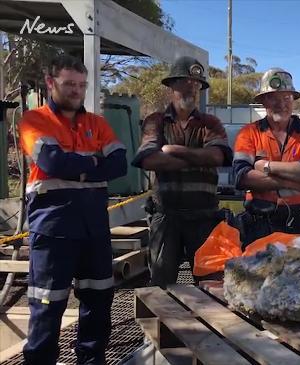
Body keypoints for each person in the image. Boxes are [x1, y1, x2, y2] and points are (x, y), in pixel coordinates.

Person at [18, 54, 127, 364]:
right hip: (53, 230)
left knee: (99, 299)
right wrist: (95, 163)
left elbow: (119, 164)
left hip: (94, 230)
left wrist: (75, 166)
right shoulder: (34, 120)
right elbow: (51, 162)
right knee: (47, 305)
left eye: (81, 85)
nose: (76, 91)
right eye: (69, 84)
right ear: (51, 83)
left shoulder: (98, 123)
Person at [131, 56, 233, 288]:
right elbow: (148, 159)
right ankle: (163, 325)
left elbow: (217, 157)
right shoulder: (155, 122)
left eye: (196, 84)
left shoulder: (211, 123)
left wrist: (174, 150)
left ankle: (208, 325)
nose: (191, 88)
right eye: (185, 82)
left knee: (211, 285)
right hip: (166, 216)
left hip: (205, 217)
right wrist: (197, 158)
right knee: (161, 284)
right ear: (171, 86)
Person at [232, 68, 300, 246]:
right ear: (263, 101)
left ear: (293, 100)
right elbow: (241, 176)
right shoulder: (248, 133)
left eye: (286, 98)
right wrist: (294, 183)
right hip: (259, 223)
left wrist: (265, 166)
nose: (281, 103)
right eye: (273, 97)